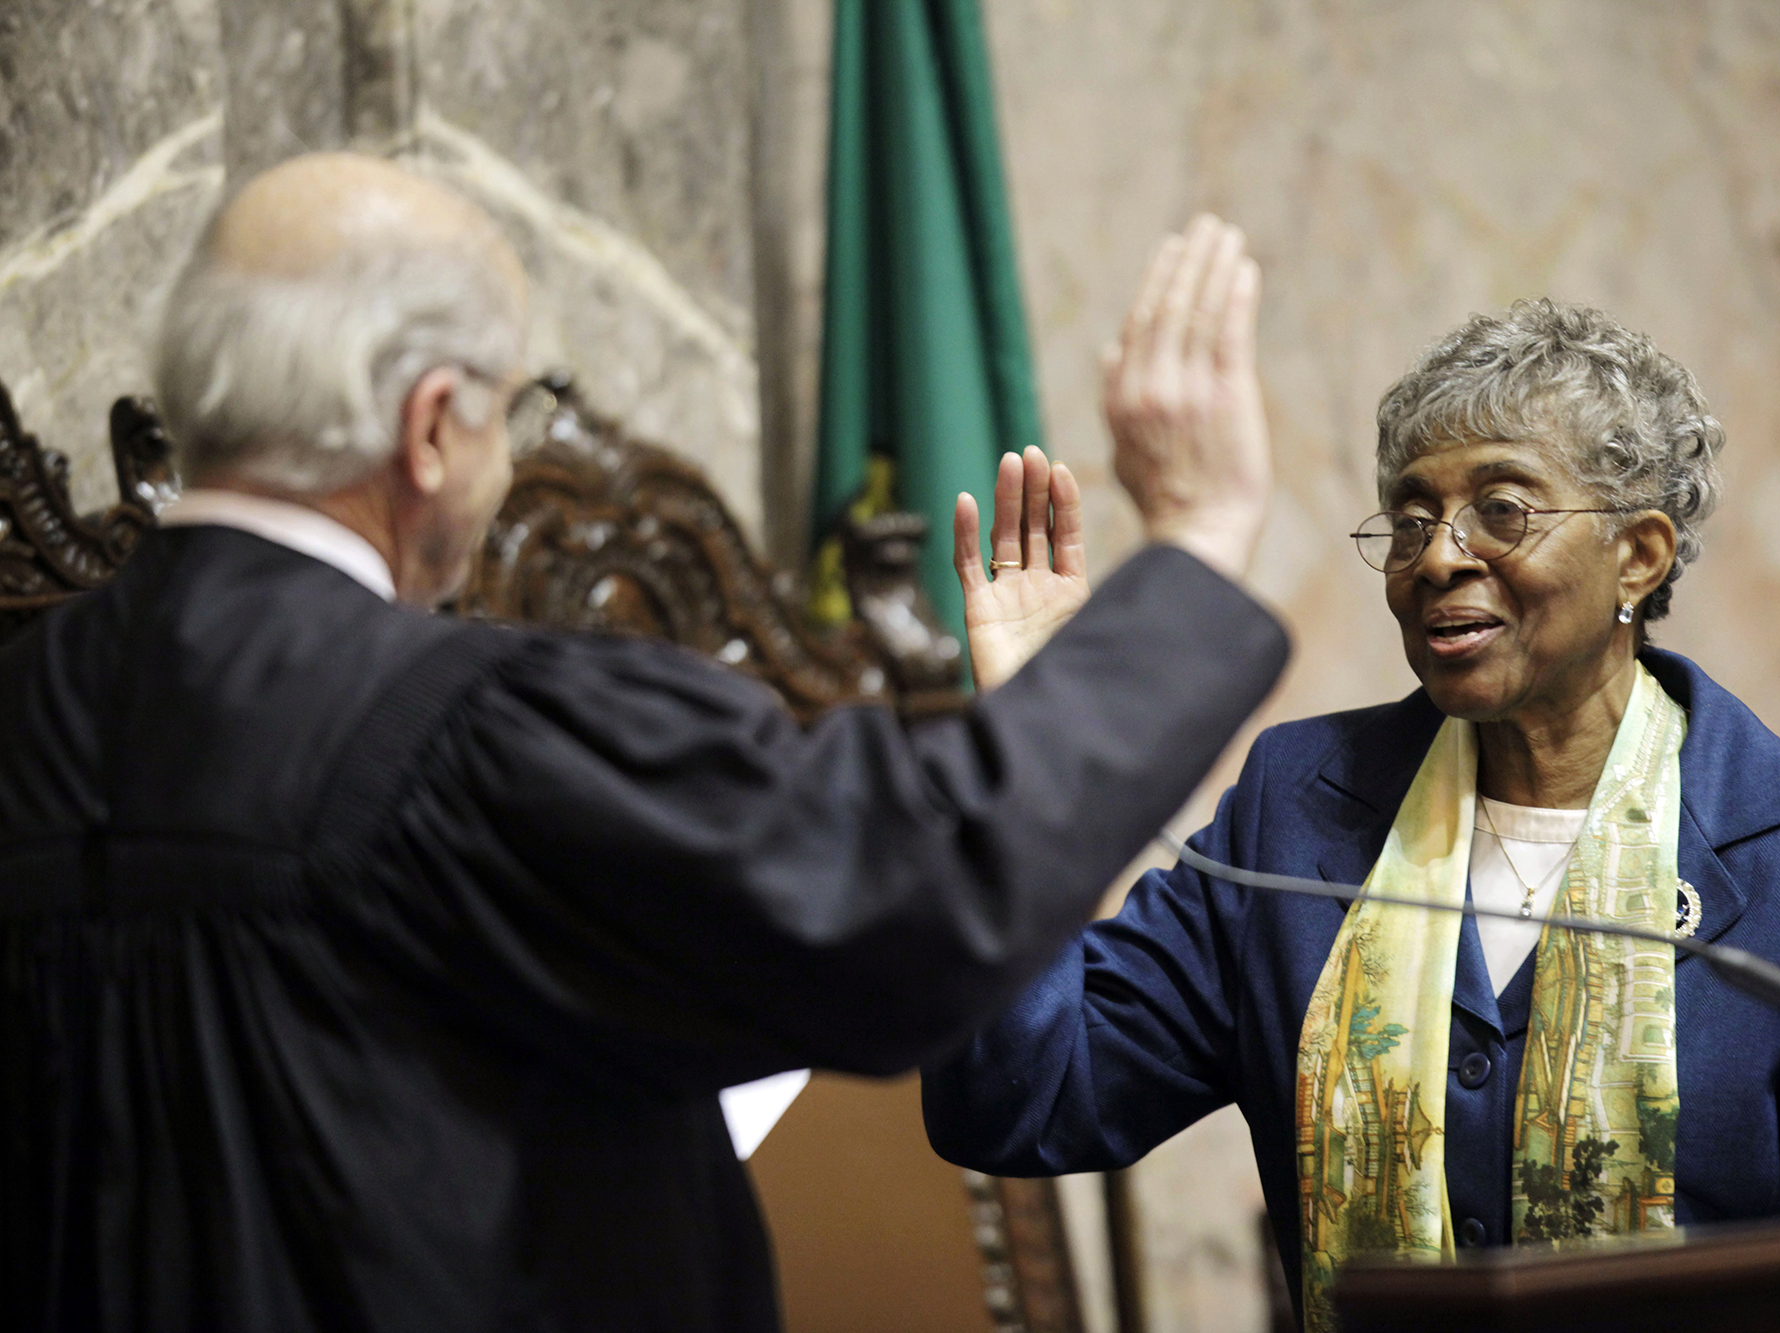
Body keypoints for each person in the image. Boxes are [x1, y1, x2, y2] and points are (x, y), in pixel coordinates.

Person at [0, 155, 1289, 1333]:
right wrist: (1193, 539)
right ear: (434, 424)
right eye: (502, 415)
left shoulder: (30, 701)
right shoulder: (473, 726)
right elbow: (910, 894)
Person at [925, 296, 1780, 1328]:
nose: (1436, 556)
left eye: (1501, 511)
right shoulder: (1296, 811)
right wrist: (1030, 750)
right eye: (1411, 518)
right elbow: (1025, 1105)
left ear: (1639, 554)